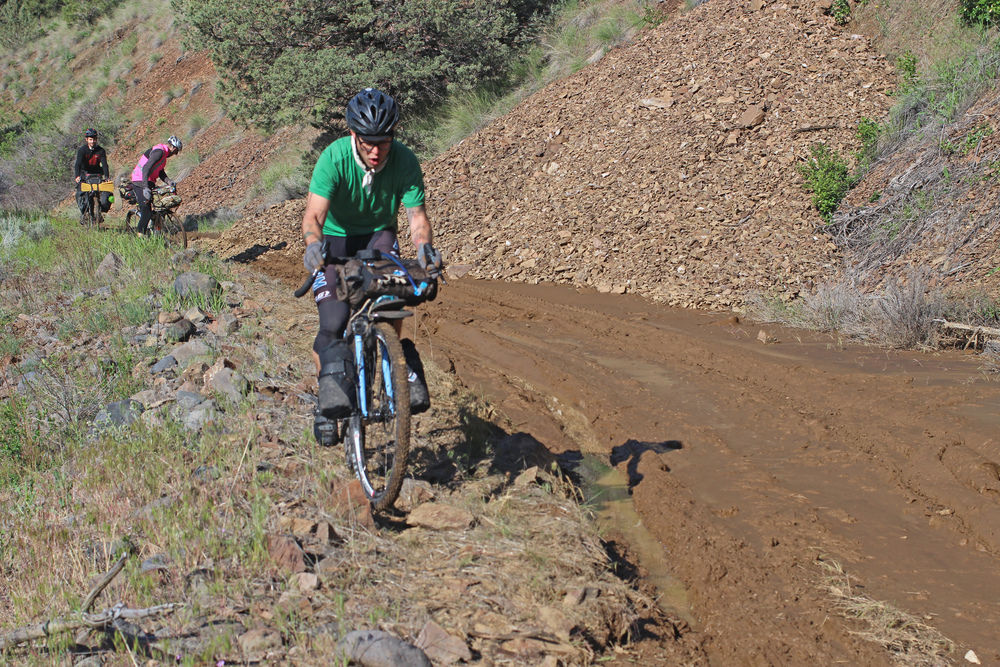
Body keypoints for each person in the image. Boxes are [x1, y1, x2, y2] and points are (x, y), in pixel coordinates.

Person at [301, 87, 442, 432]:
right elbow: (314, 216)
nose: (376, 151)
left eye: (384, 142)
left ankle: (392, 369)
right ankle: (326, 406)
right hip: (336, 239)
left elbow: (417, 218)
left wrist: (424, 248)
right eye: (368, 143)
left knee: (392, 300)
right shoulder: (333, 158)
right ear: (353, 134)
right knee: (332, 325)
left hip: (380, 235)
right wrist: (313, 245)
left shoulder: (405, 161)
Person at [130, 136, 182, 235]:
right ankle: (140, 237)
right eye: (175, 152)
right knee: (146, 212)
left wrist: (168, 181)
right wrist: (145, 187)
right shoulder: (159, 152)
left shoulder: (163, 154)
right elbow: (146, 168)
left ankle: (155, 231)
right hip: (140, 181)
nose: (174, 154)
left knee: (157, 208)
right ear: (173, 148)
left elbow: (160, 171)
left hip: (148, 181)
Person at [74, 128, 110, 222]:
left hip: (97, 173)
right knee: (81, 193)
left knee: (106, 193)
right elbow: (77, 164)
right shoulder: (82, 150)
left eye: (94, 139)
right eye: (90, 139)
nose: (92, 141)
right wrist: (77, 176)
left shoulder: (100, 150)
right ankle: (84, 214)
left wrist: (106, 176)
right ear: (86, 140)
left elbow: (104, 164)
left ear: (96, 139)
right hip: (85, 173)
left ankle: (100, 211)